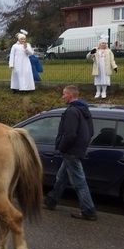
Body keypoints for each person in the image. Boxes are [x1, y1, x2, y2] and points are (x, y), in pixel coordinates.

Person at [43, 85, 97, 221]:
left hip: (70, 151)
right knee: (62, 177)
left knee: (79, 182)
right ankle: (51, 201)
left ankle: (89, 211)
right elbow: (91, 132)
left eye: (64, 94)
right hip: (78, 149)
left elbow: (70, 134)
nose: (62, 97)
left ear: (70, 96)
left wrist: (61, 147)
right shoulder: (85, 110)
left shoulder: (72, 112)